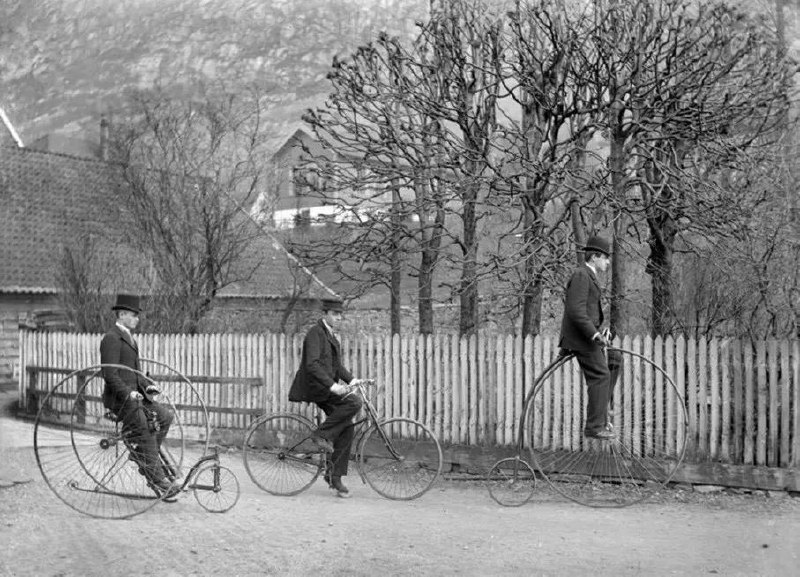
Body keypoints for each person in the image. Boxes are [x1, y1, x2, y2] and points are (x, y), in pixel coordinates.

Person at [100, 294, 178, 498]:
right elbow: (109, 374)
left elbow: (135, 373)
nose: (137, 319)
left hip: (136, 397)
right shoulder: (111, 338)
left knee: (165, 417)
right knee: (146, 427)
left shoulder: (129, 338)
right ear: (123, 314)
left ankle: (144, 456)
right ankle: (156, 475)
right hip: (120, 400)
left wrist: (148, 387)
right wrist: (129, 393)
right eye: (134, 315)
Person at [288, 299, 366, 498]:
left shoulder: (330, 335)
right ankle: (320, 434)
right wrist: (333, 386)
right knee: (354, 402)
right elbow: (312, 365)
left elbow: (336, 366)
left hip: (325, 387)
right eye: (335, 314)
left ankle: (334, 476)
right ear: (326, 314)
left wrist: (353, 380)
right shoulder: (315, 333)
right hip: (317, 387)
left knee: (347, 427)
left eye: (340, 315)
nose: (338, 318)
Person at [558, 236, 615, 440]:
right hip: (580, 339)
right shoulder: (581, 275)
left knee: (615, 359)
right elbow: (575, 311)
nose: (608, 263)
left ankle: (602, 408)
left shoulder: (588, 276)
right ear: (595, 256)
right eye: (606, 258)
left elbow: (588, 312)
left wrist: (601, 330)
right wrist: (594, 334)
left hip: (586, 337)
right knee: (600, 375)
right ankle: (594, 426)